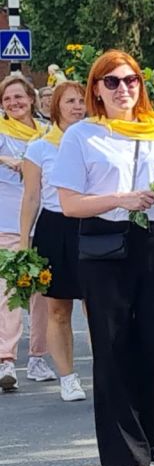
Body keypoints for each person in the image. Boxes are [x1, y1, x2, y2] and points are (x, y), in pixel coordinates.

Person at [50, 51, 154, 466]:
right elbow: (69, 204)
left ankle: (146, 427)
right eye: (112, 82)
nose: (123, 88)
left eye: (131, 80)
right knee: (113, 346)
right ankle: (130, 451)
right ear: (97, 89)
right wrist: (119, 199)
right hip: (105, 241)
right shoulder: (83, 135)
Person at [17, 81, 87, 403]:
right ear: (55, 105)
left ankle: (107, 373)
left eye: (81, 101)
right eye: (70, 101)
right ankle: (68, 377)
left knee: (98, 305)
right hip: (55, 227)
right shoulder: (40, 147)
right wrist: (23, 242)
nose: (77, 107)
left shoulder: (96, 141)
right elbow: (31, 197)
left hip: (91, 223)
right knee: (58, 308)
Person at [0, 74, 47, 390]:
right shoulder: (1, 133)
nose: (13, 103)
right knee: (9, 292)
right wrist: (7, 159)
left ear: (31, 99)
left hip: (43, 222)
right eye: (7, 99)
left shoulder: (46, 133)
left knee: (41, 294)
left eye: (18, 97)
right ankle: (6, 359)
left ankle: (37, 357)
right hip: (7, 223)